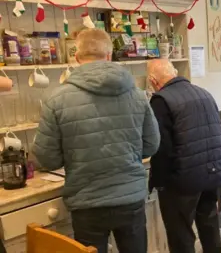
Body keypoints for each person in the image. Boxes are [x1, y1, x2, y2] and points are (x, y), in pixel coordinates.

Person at [33, 29, 160, 253]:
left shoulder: (56, 99)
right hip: (129, 196)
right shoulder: (138, 95)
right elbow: (151, 145)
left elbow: (47, 158)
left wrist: (76, 155)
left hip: (87, 201)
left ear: (77, 57)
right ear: (109, 55)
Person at [148, 59, 221, 253]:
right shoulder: (204, 93)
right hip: (212, 173)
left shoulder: (161, 100)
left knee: (181, 235)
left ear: (153, 81)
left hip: (183, 181)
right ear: (175, 72)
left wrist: (158, 182)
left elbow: (162, 148)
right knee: (209, 226)